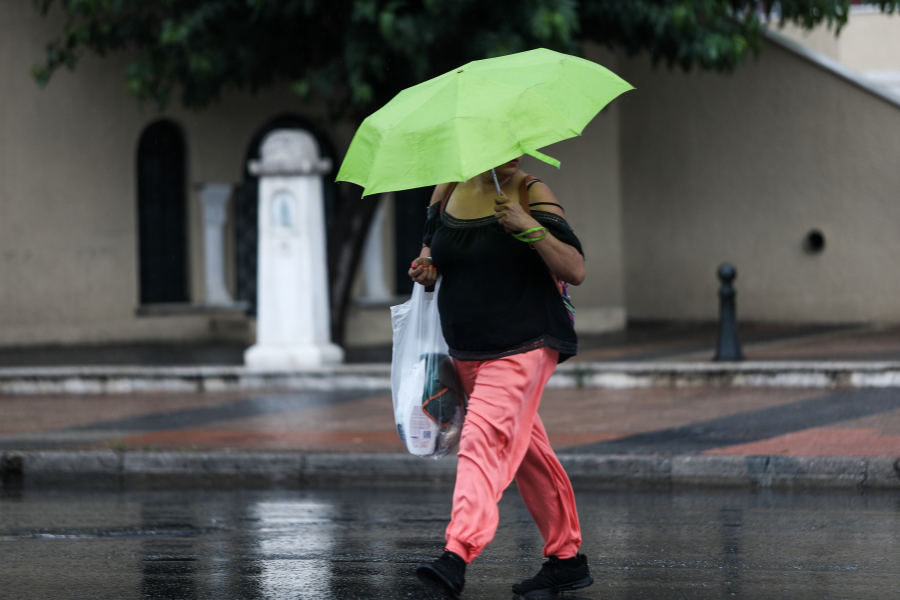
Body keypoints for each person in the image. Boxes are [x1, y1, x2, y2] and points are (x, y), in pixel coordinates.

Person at [410, 157, 592, 598]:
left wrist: (527, 227)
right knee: (528, 451)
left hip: (524, 344)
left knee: (481, 439)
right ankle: (567, 559)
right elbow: (432, 251)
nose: (508, 150)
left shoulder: (532, 191)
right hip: (466, 351)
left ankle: (457, 552)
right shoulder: (447, 189)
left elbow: (575, 269)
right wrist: (426, 267)